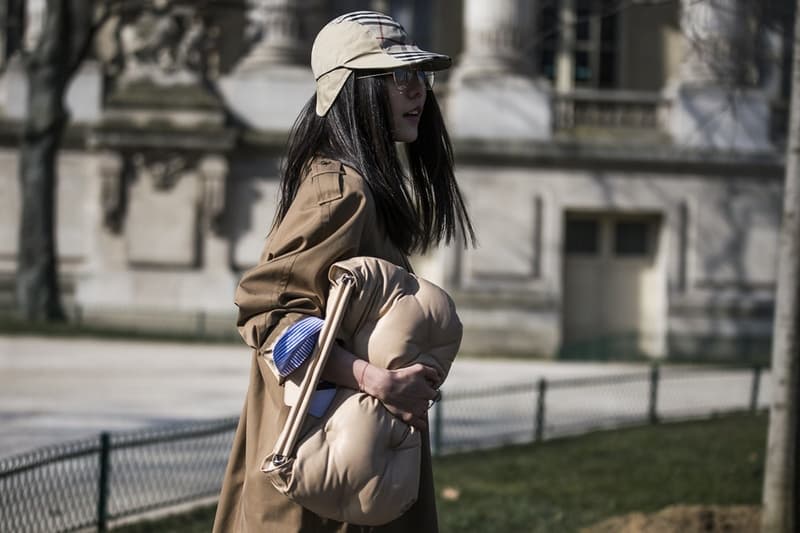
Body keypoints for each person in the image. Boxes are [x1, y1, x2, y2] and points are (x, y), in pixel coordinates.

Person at [213, 11, 474, 533]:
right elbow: (269, 318)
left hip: (357, 466)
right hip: (322, 481)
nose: (417, 91)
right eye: (398, 77)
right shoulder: (340, 190)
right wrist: (374, 379)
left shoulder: (363, 188)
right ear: (352, 91)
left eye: (419, 75)